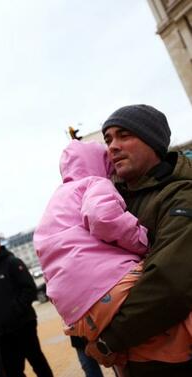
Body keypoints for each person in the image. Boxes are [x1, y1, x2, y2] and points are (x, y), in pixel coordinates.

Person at [34, 140, 191, 366]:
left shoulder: (55, 202)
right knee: (170, 309)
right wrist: (142, 241)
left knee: (140, 345)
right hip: (109, 285)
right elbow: (104, 217)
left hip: (79, 313)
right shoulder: (94, 183)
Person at [84, 104, 192, 376]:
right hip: (135, 360)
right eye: (108, 139)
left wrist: (111, 339)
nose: (113, 146)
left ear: (152, 141)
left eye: (124, 135)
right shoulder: (113, 202)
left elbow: (169, 283)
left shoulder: (180, 195)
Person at [0, 235, 53, 377]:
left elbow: (29, 289)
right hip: (3, 330)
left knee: (36, 360)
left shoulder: (12, 263)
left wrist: (15, 310)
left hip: (23, 324)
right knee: (11, 370)